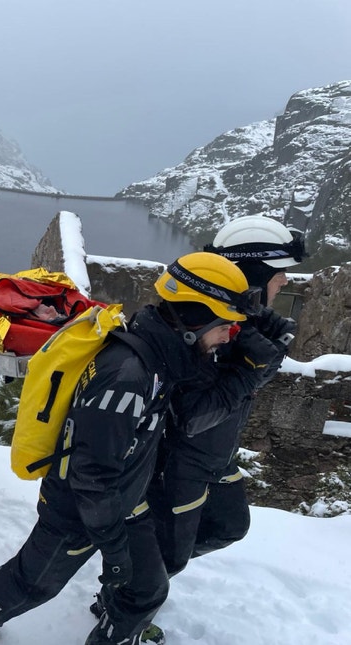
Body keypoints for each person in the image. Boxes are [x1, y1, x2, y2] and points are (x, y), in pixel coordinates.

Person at [0, 252, 282, 645]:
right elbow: (91, 475)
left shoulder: (160, 351)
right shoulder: (128, 378)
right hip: (79, 510)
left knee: (147, 589)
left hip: (121, 501)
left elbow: (192, 413)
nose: (228, 338)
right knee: (35, 583)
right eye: (227, 328)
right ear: (195, 320)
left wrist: (252, 366)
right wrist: (115, 550)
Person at [147, 216, 305, 578]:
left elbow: (242, 387)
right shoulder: (209, 331)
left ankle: (140, 562)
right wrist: (253, 367)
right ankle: (122, 607)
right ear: (252, 276)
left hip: (215, 456)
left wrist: (266, 347)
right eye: (277, 271)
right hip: (179, 466)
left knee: (230, 526)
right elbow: (193, 415)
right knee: (169, 557)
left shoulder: (248, 326)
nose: (285, 279)